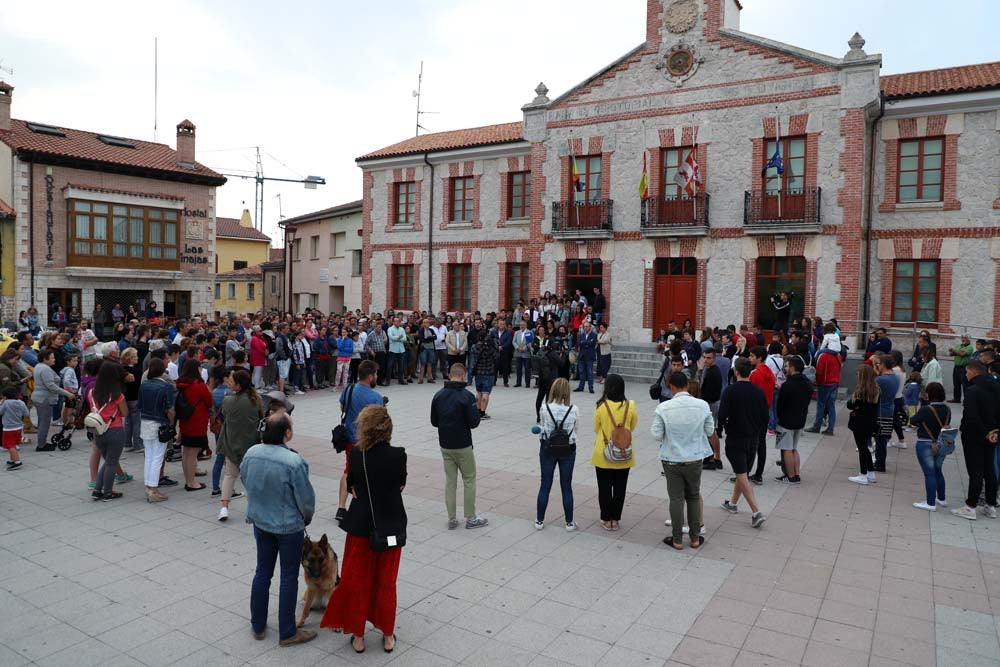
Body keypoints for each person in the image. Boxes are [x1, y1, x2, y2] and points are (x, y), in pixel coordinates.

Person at [321, 405, 405, 654]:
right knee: (386, 582)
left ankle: (358, 636)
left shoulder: (357, 454)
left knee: (357, 580)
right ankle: (388, 635)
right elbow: (399, 486)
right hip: (389, 526)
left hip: (360, 527)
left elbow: (352, 487)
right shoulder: (399, 454)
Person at [241, 411, 316, 646]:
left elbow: (245, 478)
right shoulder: (293, 461)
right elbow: (306, 500)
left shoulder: (251, 453)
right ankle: (287, 631)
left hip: (261, 522)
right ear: (286, 433)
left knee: (262, 571)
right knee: (288, 576)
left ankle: (258, 625)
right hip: (288, 526)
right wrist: (306, 517)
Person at [651, 372, 717, 549]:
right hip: (695, 458)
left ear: (671, 386)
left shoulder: (663, 408)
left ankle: (677, 539)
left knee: (676, 498)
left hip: (672, 458)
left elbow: (656, 434)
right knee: (693, 496)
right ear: (687, 385)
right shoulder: (702, 406)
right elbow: (710, 430)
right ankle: (695, 538)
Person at [430, 364, 488, 529]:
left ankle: (452, 518)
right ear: (463, 376)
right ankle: (470, 517)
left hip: (445, 443)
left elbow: (434, 421)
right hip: (463, 444)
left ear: (449, 375)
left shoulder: (438, 395)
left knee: (450, 481)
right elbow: (474, 422)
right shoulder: (467, 396)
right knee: (469, 479)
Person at [718, 358, 768, 528]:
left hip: (736, 437)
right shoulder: (759, 392)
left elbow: (722, 414)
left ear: (737, 372)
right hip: (752, 438)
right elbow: (765, 417)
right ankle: (732, 503)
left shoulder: (729, 391)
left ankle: (756, 512)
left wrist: (722, 427)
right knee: (743, 472)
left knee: (742, 474)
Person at [335, 360, 384, 524]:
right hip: (368, 441)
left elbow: (343, 408)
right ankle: (368, 506)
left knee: (348, 470)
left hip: (350, 439)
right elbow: (380, 421)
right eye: (376, 374)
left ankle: (341, 508)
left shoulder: (348, 389)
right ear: (370, 376)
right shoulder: (376, 397)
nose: (377, 376)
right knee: (370, 472)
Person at [952, 361, 1000, 520]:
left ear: (974, 371)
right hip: (993, 434)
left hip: (975, 435)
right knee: (989, 469)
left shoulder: (973, 390)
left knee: (976, 471)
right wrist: (995, 431)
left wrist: (986, 432)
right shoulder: (997, 387)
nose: (966, 375)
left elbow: (972, 416)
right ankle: (990, 505)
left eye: (967, 372)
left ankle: (970, 506)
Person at [591, 374, 637, 531]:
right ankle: (615, 519)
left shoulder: (601, 406)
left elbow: (596, 428)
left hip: (603, 452)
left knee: (604, 487)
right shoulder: (630, 405)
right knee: (620, 487)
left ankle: (606, 518)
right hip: (623, 452)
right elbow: (632, 425)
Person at [217, 370, 263, 522]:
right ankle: (252, 510)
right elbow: (262, 417)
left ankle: (224, 508)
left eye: (231, 381)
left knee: (229, 476)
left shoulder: (228, 401)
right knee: (251, 479)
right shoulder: (256, 400)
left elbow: (224, 414)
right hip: (251, 445)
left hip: (231, 443)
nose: (229, 383)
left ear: (238, 385)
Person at [535, 378, 579, 531]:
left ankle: (539, 520)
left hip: (548, 447)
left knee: (545, 484)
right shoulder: (573, 409)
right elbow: (575, 430)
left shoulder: (544, 408)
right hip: (568, 448)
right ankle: (569, 522)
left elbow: (541, 428)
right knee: (566, 485)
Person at [90, 361, 129, 502]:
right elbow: (125, 413)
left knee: (108, 461)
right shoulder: (117, 395)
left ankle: (97, 490)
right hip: (115, 430)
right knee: (111, 463)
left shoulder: (92, 392)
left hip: (99, 431)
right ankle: (107, 492)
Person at [910, 382, 951, 511]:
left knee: (929, 473)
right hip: (941, 442)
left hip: (925, 442)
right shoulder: (947, 409)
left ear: (929, 394)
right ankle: (942, 498)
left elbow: (913, 420)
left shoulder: (926, 409)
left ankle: (930, 502)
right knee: (938, 470)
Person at [176, 358, 213, 490]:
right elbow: (209, 402)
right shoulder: (199, 385)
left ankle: (188, 479)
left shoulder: (181, 383)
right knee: (192, 453)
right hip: (197, 421)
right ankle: (191, 482)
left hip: (185, 420)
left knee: (186, 452)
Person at [775, 355, 812, 483]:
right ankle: (796, 474)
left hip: (786, 420)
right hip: (800, 419)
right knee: (794, 448)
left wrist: (779, 416)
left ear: (792, 367)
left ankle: (790, 476)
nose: (785, 368)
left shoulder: (788, 384)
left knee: (786, 449)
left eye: (787, 366)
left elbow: (780, 404)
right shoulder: (807, 383)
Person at [31, 349, 75, 451]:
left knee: (42, 421)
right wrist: (68, 393)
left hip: (39, 397)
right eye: (52, 358)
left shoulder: (39, 366)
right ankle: (41, 445)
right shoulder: (45, 369)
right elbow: (51, 386)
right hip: (44, 398)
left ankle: (42, 442)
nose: (54, 360)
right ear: (45, 359)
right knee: (44, 422)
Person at [847, 364, 881, 485]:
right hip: (871, 421)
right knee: (864, 447)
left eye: (858, 373)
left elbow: (850, 405)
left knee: (862, 448)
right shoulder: (876, 389)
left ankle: (863, 475)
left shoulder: (860, 390)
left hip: (859, 422)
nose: (856, 375)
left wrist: (856, 405)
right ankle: (871, 473)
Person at [747, 346, 775, 484]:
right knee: (761, 443)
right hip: (765, 410)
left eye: (752, 356)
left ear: (759, 358)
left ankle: (744, 473)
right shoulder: (770, 372)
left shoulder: (754, 373)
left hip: (753, 411)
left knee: (751, 443)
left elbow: (749, 393)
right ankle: (759, 473)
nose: (750, 358)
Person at [807, 344, 842, 435]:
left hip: (824, 384)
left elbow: (819, 370)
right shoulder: (838, 356)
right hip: (835, 383)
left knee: (821, 405)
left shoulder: (823, 356)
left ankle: (816, 426)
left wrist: (816, 382)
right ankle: (830, 429)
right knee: (831, 406)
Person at [1, 386, 28, 470]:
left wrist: (1, 403)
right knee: (13, 444)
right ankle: (12, 459)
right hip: (18, 427)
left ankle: (17, 462)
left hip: (8, 428)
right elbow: (26, 413)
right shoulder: (21, 402)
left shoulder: (5, 403)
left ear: (5, 396)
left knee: (9, 445)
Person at [948, 334, 975, 403]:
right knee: (956, 384)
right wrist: (956, 352)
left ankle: (966, 400)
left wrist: (955, 351)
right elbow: (951, 354)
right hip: (956, 367)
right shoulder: (958, 346)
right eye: (962, 338)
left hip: (964, 368)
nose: (964, 339)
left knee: (965, 384)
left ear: (969, 339)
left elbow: (961, 354)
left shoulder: (970, 347)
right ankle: (956, 398)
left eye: (966, 338)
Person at [574, 320, 597, 393]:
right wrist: (586, 343)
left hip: (589, 356)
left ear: (590, 327)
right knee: (581, 372)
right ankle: (581, 387)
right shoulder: (582, 335)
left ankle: (591, 388)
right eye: (584, 327)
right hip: (582, 356)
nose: (585, 328)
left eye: (587, 326)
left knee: (590, 372)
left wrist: (584, 343)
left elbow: (592, 343)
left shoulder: (593, 335)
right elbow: (579, 343)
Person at [513, 319, 535, 388]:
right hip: (518, 353)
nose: (522, 326)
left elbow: (530, 342)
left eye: (523, 325)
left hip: (526, 353)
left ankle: (527, 383)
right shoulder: (516, 332)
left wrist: (524, 348)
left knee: (527, 369)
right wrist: (517, 348)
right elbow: (513, 341)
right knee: (518, 369)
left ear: (526, 325)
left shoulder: (529, 332)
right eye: (521, 325)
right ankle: (518, 382)